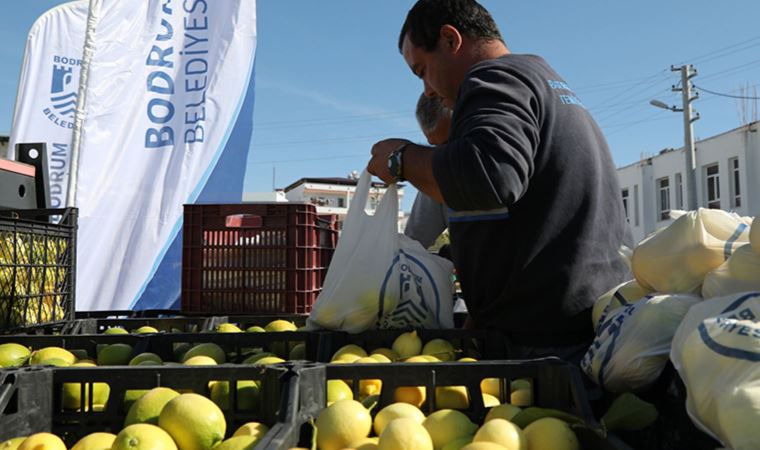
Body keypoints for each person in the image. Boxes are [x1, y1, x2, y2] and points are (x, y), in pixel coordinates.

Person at [367, 0, 632, 364]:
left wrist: (401, 159)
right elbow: (525, 212)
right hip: (576, 327)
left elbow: (487, 176)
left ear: (449, 39)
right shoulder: (538, 78)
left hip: (549, 343)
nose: (427, 89)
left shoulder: (494, 78)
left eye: (421, 70)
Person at [404, 94, 451, 249]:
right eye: (436, 148)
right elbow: (413, 244)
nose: (443, 154)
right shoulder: (439, 175)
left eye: (449, 143)